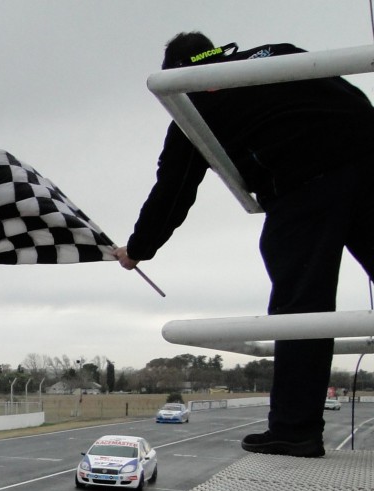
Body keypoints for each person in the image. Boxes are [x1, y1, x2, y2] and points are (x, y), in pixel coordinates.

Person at [115, 32, 374, 458]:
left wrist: (138, 250)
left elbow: (173, 190)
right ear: (217, 53)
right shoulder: (276, 55)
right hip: (367, 157)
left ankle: (294, 429)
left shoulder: (188, 104)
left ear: (177, 73)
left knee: (301, 308)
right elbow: (350, 95)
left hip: (303, 182)